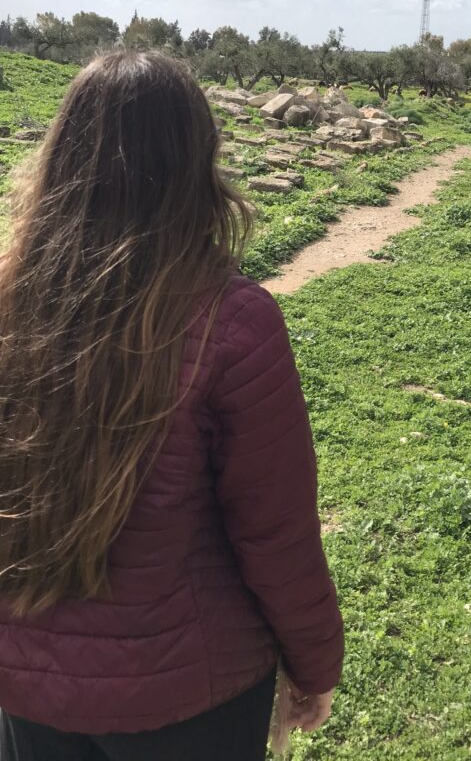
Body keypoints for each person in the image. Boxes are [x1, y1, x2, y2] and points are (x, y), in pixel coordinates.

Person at [0, 51, 343, 760]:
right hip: (187, 697)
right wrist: (314, 666)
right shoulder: (233, 322)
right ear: (197, 159)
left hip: (25, 679)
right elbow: (275, 534)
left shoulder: (7, 302)